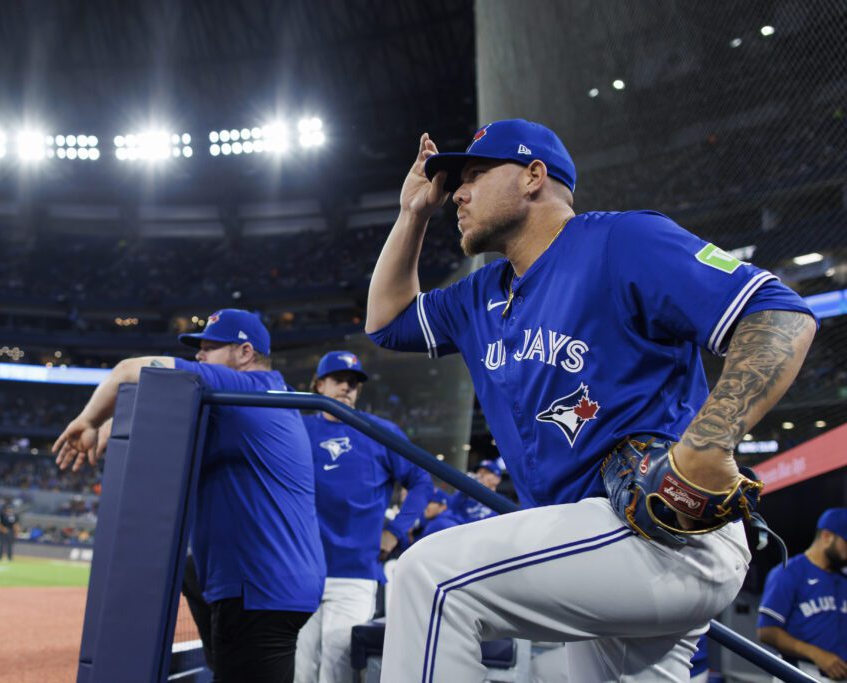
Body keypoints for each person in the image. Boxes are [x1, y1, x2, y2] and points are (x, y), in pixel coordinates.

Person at [364, 119, 817, 681]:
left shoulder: (620, 242)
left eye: (476, 174)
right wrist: (412, 215)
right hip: (591, 546)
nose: (457, 191)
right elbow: (385, 323)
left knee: (428, 579)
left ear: (534, 177)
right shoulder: (480, 295)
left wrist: (710, 439)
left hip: (660, 527)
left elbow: (778, 312)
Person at [54, 308, 325, 683]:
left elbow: (129, 370)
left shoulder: (245, 388)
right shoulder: (262, 396)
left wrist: (90, 420)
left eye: (210, 348)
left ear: (244, 353)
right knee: (189, 572)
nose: (199, 356)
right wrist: (119, 419)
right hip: (270, 580)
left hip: (260, 587)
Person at [296, 351, 432, 683]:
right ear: (319, 385)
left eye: (354, 383)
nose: (347, 387)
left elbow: (421, 482)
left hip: (354, 572)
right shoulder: (297, 427)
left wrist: (397, 531)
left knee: (337, 669)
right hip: (301, 570)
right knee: (299, 670)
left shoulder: (378, 431)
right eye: (339, 380)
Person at [757, 508, 847, 681]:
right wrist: (816, 654)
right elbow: (766, 631)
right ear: (827, 537)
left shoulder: (843, 578)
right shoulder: (790, 572)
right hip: (798, 671)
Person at [446, 459, 502, 524]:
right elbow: (451, 510)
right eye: (479, 472)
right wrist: (463, 488)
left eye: (486, 472)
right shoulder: (466, 498)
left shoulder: (501, 501)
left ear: (497, 479)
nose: (480, 475)